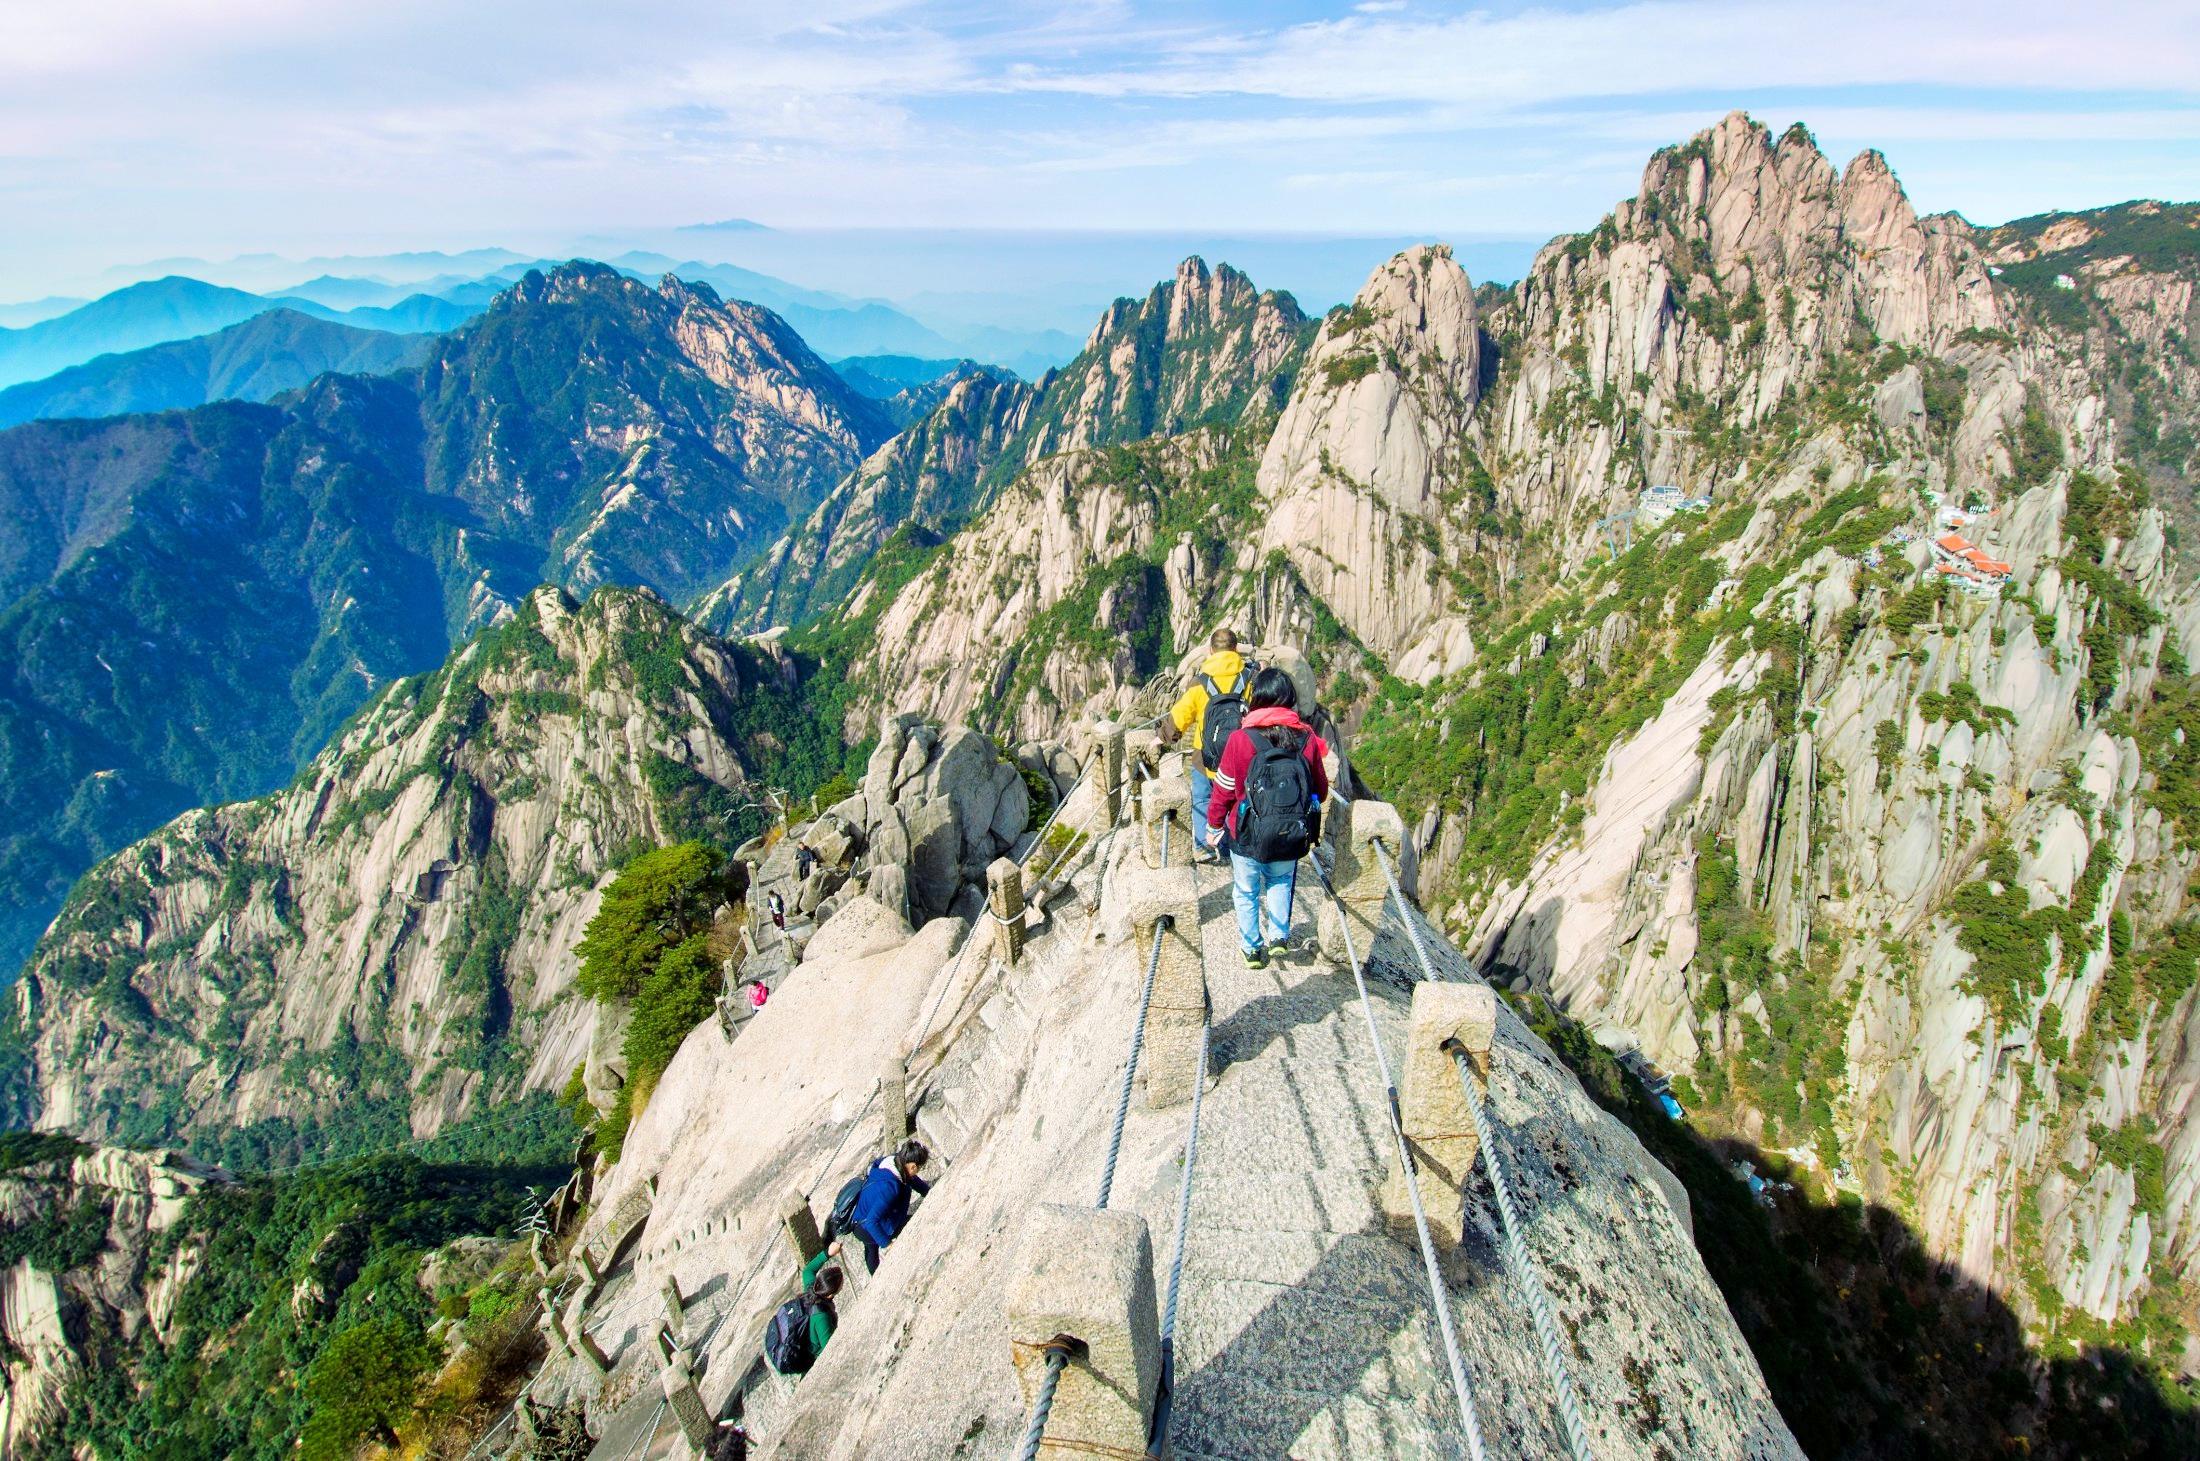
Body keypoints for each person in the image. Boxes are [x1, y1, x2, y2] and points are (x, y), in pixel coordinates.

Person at [1206, 667, 1329, 969]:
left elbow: (1223, 789)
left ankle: (1251, 949)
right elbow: (1321, 789)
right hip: (1290, 830)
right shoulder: (1306, 739)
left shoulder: (1239, 739)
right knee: (1280, 880)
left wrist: (1213, 825)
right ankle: (1279, 938)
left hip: (1246, 832)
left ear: (1256, 698)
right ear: (1289, 699)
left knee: (1246, 891)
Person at [1159, 628, 1256, 861]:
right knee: (1235, 797)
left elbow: (1182, 714)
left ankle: (1203, 845)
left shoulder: (1200, 682)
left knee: (1203, 798)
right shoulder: (1250, 678)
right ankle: (1232, 845)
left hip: (1206, 755)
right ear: (1235, 650)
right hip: (1241, 754)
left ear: (1211, 651)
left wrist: (1164, 736)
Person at [842, 1138, 931, 1274]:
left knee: (871, 1249)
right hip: (865, 1226)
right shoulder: (890, 1188)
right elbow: (872, 1223)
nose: (917, 1172)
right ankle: (876, 1277)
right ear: (912, 1166)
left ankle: (874, 1274)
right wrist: (888, 1244)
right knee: (873, 1246)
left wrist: (927, 1191)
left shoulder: (894, 1161)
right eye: (918, 1168)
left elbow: (910, 1179)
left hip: (860, 1214)